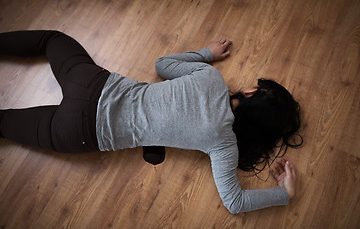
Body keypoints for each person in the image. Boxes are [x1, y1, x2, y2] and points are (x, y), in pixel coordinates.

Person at [0, 30, 302, 213]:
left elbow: (162, 65)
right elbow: (234, 203)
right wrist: (283, 194)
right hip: (81, 133)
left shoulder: (210, 77)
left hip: (92, 85)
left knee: (50, 40)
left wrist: (206, 53)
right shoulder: (224, 145)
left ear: (251, 92)